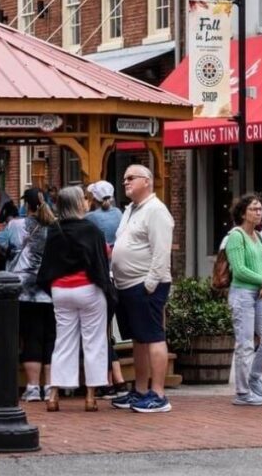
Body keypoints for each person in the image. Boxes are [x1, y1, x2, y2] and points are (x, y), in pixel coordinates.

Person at [37, 186, 115, 413]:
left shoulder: (54, 230)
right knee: (93, 341)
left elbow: (47, 265)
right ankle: (90, 396)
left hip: (61, 290)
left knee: (63, 341)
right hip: (88, 289)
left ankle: (54, 395)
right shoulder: (91, 230)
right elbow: (101, 260)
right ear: (78, 204)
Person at [110, 165, 174, 414]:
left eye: (131, 178)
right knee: (138, 338)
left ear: (146, 181)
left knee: (153, 336)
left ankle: (158, 394)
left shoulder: (156, 211)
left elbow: (161, 251)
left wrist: (150, 283)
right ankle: (140, 389)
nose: (125, 182)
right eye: (124, 178)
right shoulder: (130, 210)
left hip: (146, 285)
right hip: (127, 284)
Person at [224, 194, 262, 406]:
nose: (259, 212)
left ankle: (253, 377)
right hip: (242, 295)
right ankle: (243, 392)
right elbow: (239, 270)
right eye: (254, 209)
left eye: (260, 209)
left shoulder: (258, 236)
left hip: (257, 295)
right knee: (245, 344)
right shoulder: (236, 236)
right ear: (242, 212)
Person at [7, 188, 56, 402]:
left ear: (27, 205)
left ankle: (33, 387)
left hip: (24, 289)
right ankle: (51, 388)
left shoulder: (16, 225)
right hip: (50, 289)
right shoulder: (55, 228)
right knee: (50, 339)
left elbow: (0, 244)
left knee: (30, 337)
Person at [84, 180, 128, 399]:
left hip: (98, 279)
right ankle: (116, 378)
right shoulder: (120, 214)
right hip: (117, 278)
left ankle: (109, 380)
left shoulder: (90, 219)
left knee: (98, 333)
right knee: (105, 331)